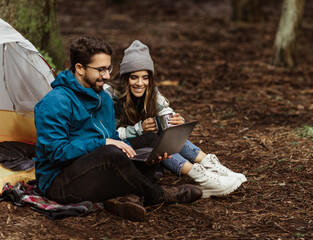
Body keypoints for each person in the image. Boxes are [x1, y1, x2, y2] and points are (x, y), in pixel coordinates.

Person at [34, 36, 202, 222]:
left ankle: (131, 197)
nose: (107, 76)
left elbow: (113, 138)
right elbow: (56, 153)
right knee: (111, 152)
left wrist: (149, 155)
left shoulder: (103, 98)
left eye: (108, 68)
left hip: (97, 168)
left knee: (151, 140)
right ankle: (157, 194)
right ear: (79, 68)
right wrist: (104, 143)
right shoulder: (55, 102)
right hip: (60, 182)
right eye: (100, 70)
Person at [105, 40, 247, 198]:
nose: (140, 83)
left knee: (164, 131)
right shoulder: (110, 95)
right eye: (134, 78)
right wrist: (138, 129)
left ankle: (211, 165)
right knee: (155, 137)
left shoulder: (150, 92)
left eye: (145, 78)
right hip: (118, 150)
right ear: (125, 77)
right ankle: (202, 177)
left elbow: (166, 110)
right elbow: (106, 134)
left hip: (142, 147)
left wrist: (176, 121)